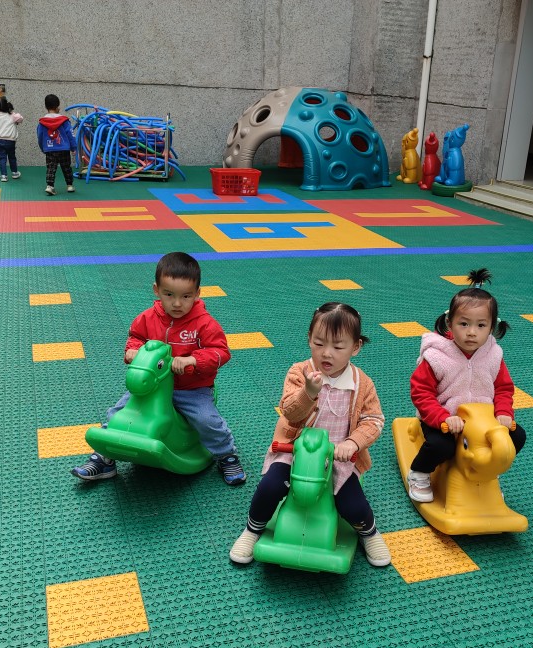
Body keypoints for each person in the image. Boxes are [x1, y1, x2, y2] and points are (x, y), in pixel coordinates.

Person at [229, 302, 391, 567]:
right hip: (294, 452)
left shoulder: (362, 384)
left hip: (338, 459)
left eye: (338, 347)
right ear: (309, 339)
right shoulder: (299, 373)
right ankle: (252, 529)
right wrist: (308, 392)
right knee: (269, 487)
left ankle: (369, 533)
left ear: (356, 347)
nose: (326, 353)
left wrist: (353, 443)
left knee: (352, 504)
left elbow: (373, 420)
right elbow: (289, 412)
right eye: (318, 343)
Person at [71, 251, 246, 486]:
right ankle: (105, 458)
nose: (177, 303)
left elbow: (221, 351)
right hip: (153, 386)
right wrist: (133, 351)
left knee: (206, 419)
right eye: (169, 294)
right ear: (157, 290)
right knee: (119, 412)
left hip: (191, 389)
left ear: (197, 293)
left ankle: (226, 455)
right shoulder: (147, 318)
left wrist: (193, 360)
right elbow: (135, 337)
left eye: (186, 296)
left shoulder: (204, 323)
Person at [406, 268, 526, 502]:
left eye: (481, 325)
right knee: (441, 446)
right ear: (449, 322)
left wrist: (503, 412)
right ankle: (419, 472)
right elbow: (421, 393)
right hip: (445, 420)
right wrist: (442, 417)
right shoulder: (437, 356)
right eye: (463, 324)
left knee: (518, 436)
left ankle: (488, 470)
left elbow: (503, 388)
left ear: (492, 327)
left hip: (482, 422)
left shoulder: (493, 355)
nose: (472, 333)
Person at [36, 94, 77, 196]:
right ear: (58, 106)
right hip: (64, 148)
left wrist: (43, 147)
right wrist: (73, 147)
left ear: (46, 106)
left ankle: (50, 186)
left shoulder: (42, 122)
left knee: (51, 167)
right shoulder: (64, 120)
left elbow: (40, 136)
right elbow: (70, 134)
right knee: (66, 167)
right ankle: (70, 185)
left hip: (50, 149)